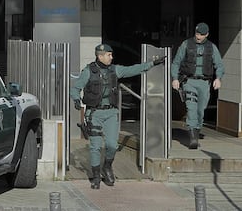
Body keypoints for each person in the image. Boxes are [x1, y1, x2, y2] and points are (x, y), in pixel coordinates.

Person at [70, 43, 166, 189]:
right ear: (100, 56)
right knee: (95, 147)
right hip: (94, 113)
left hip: (111, 113)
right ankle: (96, 176)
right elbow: (75, 88)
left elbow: (132, 69)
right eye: (109, 55)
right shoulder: (88, 71)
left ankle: (107, 167)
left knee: (111, 145)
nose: (111, 57)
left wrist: (152, 63)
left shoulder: (115, 70)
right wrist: (76, 100)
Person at [171, 22, 225, 150]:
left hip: (204, 83)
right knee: (191, 107)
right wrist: (174, 79)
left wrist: (218, 78)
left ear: (206, 34)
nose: (198, 37)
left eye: (201, 34)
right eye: (197, 34)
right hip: (189, 81)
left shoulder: (212, 47)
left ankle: (197, 129)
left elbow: (219, 65)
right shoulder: (186, 44)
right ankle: (193, 138)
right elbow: (176, 63)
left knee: (201, 110)